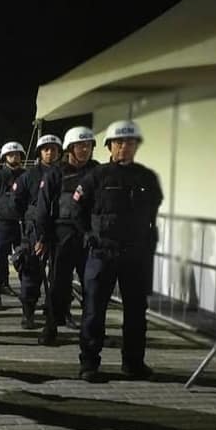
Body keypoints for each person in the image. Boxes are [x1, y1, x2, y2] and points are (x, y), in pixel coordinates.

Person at [73, 120, 163, 382]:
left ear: (136, 146)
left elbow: (153, 212)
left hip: (135, 256)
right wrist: (89, 236)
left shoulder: (147, 177)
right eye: (119, 142)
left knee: (136, 312)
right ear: (110, 146)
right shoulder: (96, 177)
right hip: (102, 254)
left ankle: (133, 363)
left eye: (130, 142)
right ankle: (89, 364)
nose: (125, 147)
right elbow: (77, 210)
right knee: (93, 311)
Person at [34, 126, 99, 345]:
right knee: (58, 285)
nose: (84, 150)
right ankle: (51, 327)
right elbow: (42, 208)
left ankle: (93, 331)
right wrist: (43, 238)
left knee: (93, 286)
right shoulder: (55, 173)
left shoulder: (97, 171)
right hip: (62, 235)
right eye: (80, 146)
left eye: (88, 146)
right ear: (70, 148)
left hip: (89, 236)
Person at [13, 134, 62, 329]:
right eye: (46, 149)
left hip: (60, 228)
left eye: (53, 149)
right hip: (35, 229)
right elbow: (16, 201)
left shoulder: (64, 173)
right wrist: (30, 218)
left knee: (59, 274)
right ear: (40, 152)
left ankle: (57, 312)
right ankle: (29, 313)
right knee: (31, 270)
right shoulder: (28, 176)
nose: (50, 152)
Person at [0, 141, 26, 311]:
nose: (14, 157)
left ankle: (27, 298)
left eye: (16, 154)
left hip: (22, 225)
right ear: (5, 157)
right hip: (2, 224)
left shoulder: (27, 175)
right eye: (10, 155)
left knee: (26, 261)